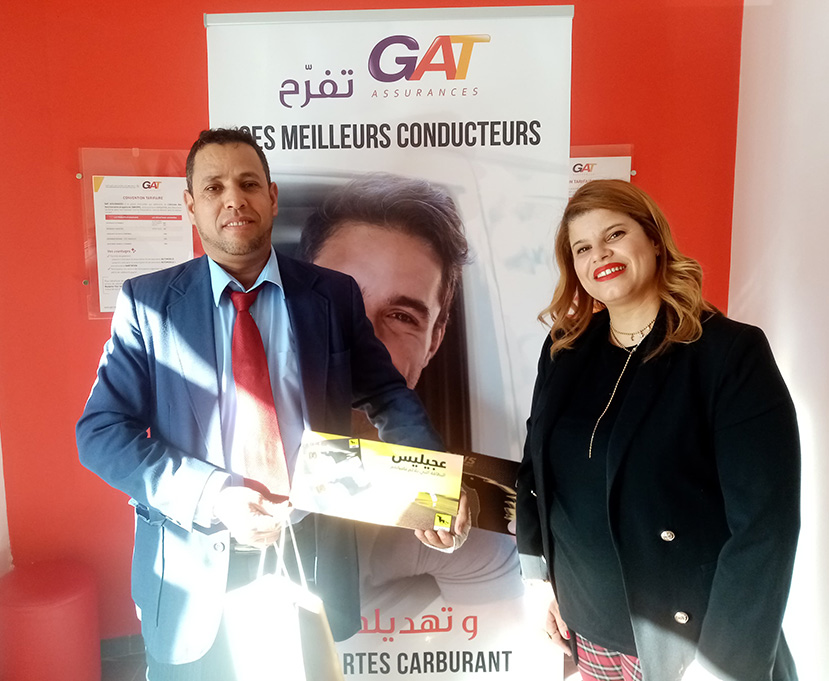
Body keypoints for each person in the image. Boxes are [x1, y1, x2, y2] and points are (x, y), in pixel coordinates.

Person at [75, 128, 460, 680]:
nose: (234, 198)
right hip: (194, 562)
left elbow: (386, 392)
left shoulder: (332, 295)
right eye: (214, 187)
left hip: (310, 551)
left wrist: (433, 484)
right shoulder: (149, 304)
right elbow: (101, 432)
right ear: (191, 205)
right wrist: (212, 495)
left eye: (249, 183)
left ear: (272, 197)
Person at [517, 179, 800, 681]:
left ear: (652, 238)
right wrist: (537, 577)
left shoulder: (728, 354)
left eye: (614, 234)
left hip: (687, 646)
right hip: (586, 631)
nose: (600, 254)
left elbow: (765, 529)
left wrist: (722, 664)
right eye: (582, 248)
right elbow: (535, 472)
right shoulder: (564, 349)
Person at [300, 173, 523, 606]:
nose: (363, 345)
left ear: (434, 341)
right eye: (338, 304)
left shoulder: (475, 524)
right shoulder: (219, 453)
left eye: (402, 316)